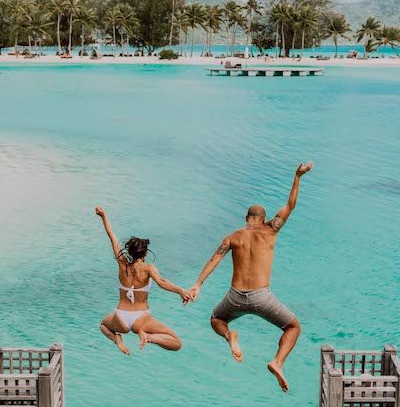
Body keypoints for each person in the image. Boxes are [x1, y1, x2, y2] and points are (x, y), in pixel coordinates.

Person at [186, 162, 313, 391]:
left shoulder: (233, 237)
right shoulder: (271, 229)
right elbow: (290, 206)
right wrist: (297, 176)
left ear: (246, 217)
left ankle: (229, 337)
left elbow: (214, 259)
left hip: (235, 297)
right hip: (261, 297)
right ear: (263, 218)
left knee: (216, 319)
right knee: (293, 327)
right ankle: (277, 362)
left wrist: (197, 284)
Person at [95, 206, 189, 354]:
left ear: (130, 252)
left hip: (120, 317)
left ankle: (117, 340)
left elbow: (112, 236)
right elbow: (162, 282)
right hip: (141, 319)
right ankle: (149, 338)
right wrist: (181, 291)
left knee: (103, 325)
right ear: (144, 253)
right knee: (176, 343)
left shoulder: (122, 264)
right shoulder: (148, 268)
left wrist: (103, 216)